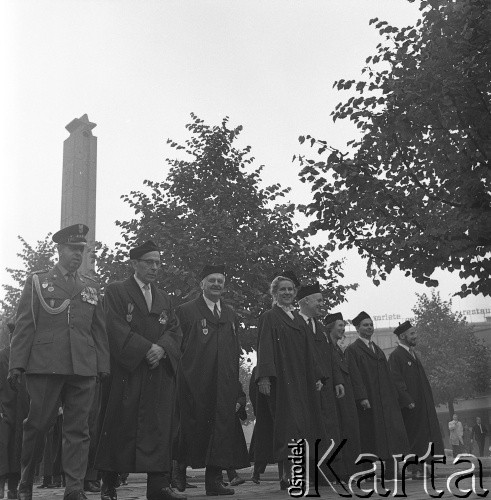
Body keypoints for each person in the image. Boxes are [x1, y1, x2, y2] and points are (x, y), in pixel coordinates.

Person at [7, 224, 110, 500]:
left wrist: (102, 366)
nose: (78, 255)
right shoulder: (39, 282)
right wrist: (16, 364)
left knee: (79, 428)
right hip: (45, 365)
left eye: (82, 250)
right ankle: (26, 478)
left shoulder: (90, 286)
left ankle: (74, 487)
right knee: (38, 424)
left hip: (83, 367)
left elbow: (98, 329)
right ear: (60, 250)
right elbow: (26, 324)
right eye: (73, 250)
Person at [94, 240, 184, 500]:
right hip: (127, 371)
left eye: (158, 262)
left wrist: (162, 349)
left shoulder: (164, 297)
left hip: (157, 374)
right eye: (149, 262)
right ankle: (109, 484)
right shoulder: (116, 291)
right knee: (119, 425)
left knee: (158, 427)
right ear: (134, 264)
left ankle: (158, 487)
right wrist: (146, 349)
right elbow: (113, 326)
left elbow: (174, 330)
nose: (155, 267)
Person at [174, 265, 249, 496]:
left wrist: (235, 387)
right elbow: (177, 347)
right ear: (202, 284)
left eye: (220, 281)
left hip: (223, 383)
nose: (216, 284)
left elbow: (234, 351)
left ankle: (214, 482)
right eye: (211, 280)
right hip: (194, 381)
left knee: (220, 430)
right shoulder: (186, 311)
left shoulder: (229, 314)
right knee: (188, 428)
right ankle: (177, 477)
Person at [254, 273, 324, 490]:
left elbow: (310, 350)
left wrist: (317, 376)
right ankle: (286, 474)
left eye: (290, 289)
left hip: (301, 381)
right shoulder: (269, 317)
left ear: (295, 293)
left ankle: (297, 472)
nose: (287, 293)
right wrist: (264, 376)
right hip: (282, 381)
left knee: (303, 425)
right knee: (287, 426)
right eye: (282, 289)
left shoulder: (298, 319)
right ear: (275, 293)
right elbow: (264, 346)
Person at [346, 311, 409, 480]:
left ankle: (391, 472)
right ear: (357, 328)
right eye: (365, 325)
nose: (369, 328)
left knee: (389, 436)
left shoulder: (378, 350)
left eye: (371, 325)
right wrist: (362, 397)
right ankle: (367, 472)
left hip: (385, 401)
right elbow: (355, 375)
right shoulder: (353, 350)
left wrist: (395, 397)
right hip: (369, 400)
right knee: (369, 435)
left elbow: (388, 376)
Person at [297, 283, 346, 482]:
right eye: (318, 300)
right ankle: (310, 474)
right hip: (306, 386)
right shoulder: (295, 324)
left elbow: (330, 357)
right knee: (309, 429)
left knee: (327, 429)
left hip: (324, 387)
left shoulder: (320, 328)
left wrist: (337, 380)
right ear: (305, 301)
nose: (321, 304)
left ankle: (326, 472)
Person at [388, 321, 444, 480]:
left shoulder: (413, 354)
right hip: (410, 405)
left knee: (424, 436)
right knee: (414, 437)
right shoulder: (396, 356)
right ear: (402, 336)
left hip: (422, 404)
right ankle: (415, 469)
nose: (415, 336)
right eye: (412, 334)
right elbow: (395, 380)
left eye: (415, 333)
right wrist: (407, 399)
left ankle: (424, 467)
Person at [325, 312, 363, 479]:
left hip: (346, 399)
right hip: (335, 398)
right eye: (340, 326)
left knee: (349, 432)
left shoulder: (339, 349)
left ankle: (350, 471)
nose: (343, 329)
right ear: (330, 327)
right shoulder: (326, 348)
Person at [0, 321, 29, 499]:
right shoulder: (2, 356)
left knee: (19, 449)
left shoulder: (28, 358)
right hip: (4, 409)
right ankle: (1, 486)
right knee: (3, 446)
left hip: (23, 411)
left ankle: (13, 488)